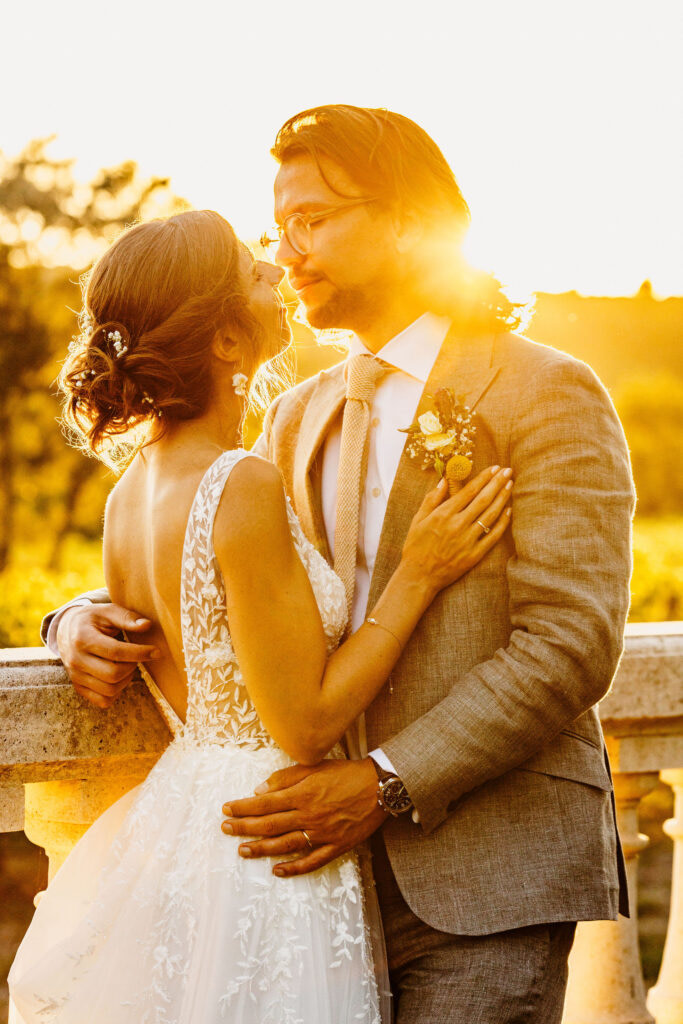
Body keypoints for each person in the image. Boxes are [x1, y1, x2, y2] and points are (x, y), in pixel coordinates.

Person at [43, 105, 635, 1023]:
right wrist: (76, 619)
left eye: (312, 221)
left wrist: (386, 779)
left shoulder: (547, 391)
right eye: (277, 230)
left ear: (406, 221)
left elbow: (570, 642)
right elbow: (219, 572)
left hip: (482, 879)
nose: (285, 254)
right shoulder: (293, 415)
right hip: (303, 883)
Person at [9, 209, 512, 1023]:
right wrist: (418, 574)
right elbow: (306, 721)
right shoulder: (238, 481)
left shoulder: (130, 489)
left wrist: (66, 619)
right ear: (226, 343)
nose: (275, 270)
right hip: (272, 834)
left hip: (188, 816)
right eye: (251, 271)